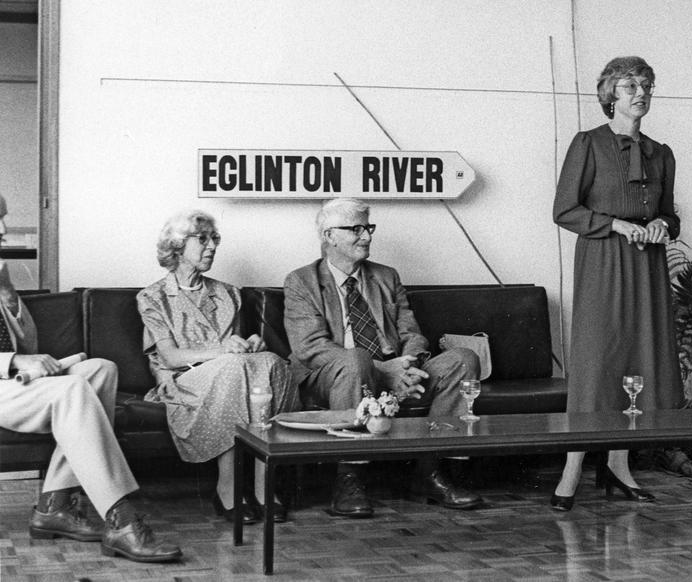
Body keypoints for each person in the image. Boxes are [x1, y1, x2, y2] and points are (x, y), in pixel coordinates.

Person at [0, 193, 181, 563]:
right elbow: (22, 353)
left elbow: (30, 341)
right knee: (71, 390)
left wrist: (9, 295)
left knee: (100, 369)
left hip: (9, 385)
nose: (4, 229)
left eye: (4, 217)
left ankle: (54, 505)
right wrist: (17, 361)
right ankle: (121, 519)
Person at [284, 197, 483, 518]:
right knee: (354, 360)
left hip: (395, 372)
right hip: (336, 376)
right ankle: (349, 479)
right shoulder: (301, 281)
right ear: (328, 236)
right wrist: (381, 368)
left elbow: (412, 333)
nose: (367, 236)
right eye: (356, 229)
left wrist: (408, 367)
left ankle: (431, 472)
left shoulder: (386, 276)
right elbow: (310, 347)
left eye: (368, 228)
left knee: (462, 359)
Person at [551, 56, 683, 510]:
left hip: (648, 264)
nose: (640, 93)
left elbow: (670, 213)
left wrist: (663, 225)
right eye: (629, 86)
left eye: (646, 85)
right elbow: (564, 210)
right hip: (605, 258)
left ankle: (619, 465)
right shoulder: (587, 144)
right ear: (610, 94)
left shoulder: (661, 152)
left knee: (638, 357)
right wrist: (619, 226)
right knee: (596, 361)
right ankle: (571, 469)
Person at [137, 210, 297, 524]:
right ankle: (228, 486)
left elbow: (233, 347)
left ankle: (265, 483)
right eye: (203, 239)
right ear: (178, 246)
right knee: (232, 369)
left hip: (230, 373)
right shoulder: (153, 298)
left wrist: (249, 343)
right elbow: (169, 357)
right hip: (187, 380)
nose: (212, 246)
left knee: (270, 362)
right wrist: (226, 349)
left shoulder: (228, 293)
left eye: (215, 239)